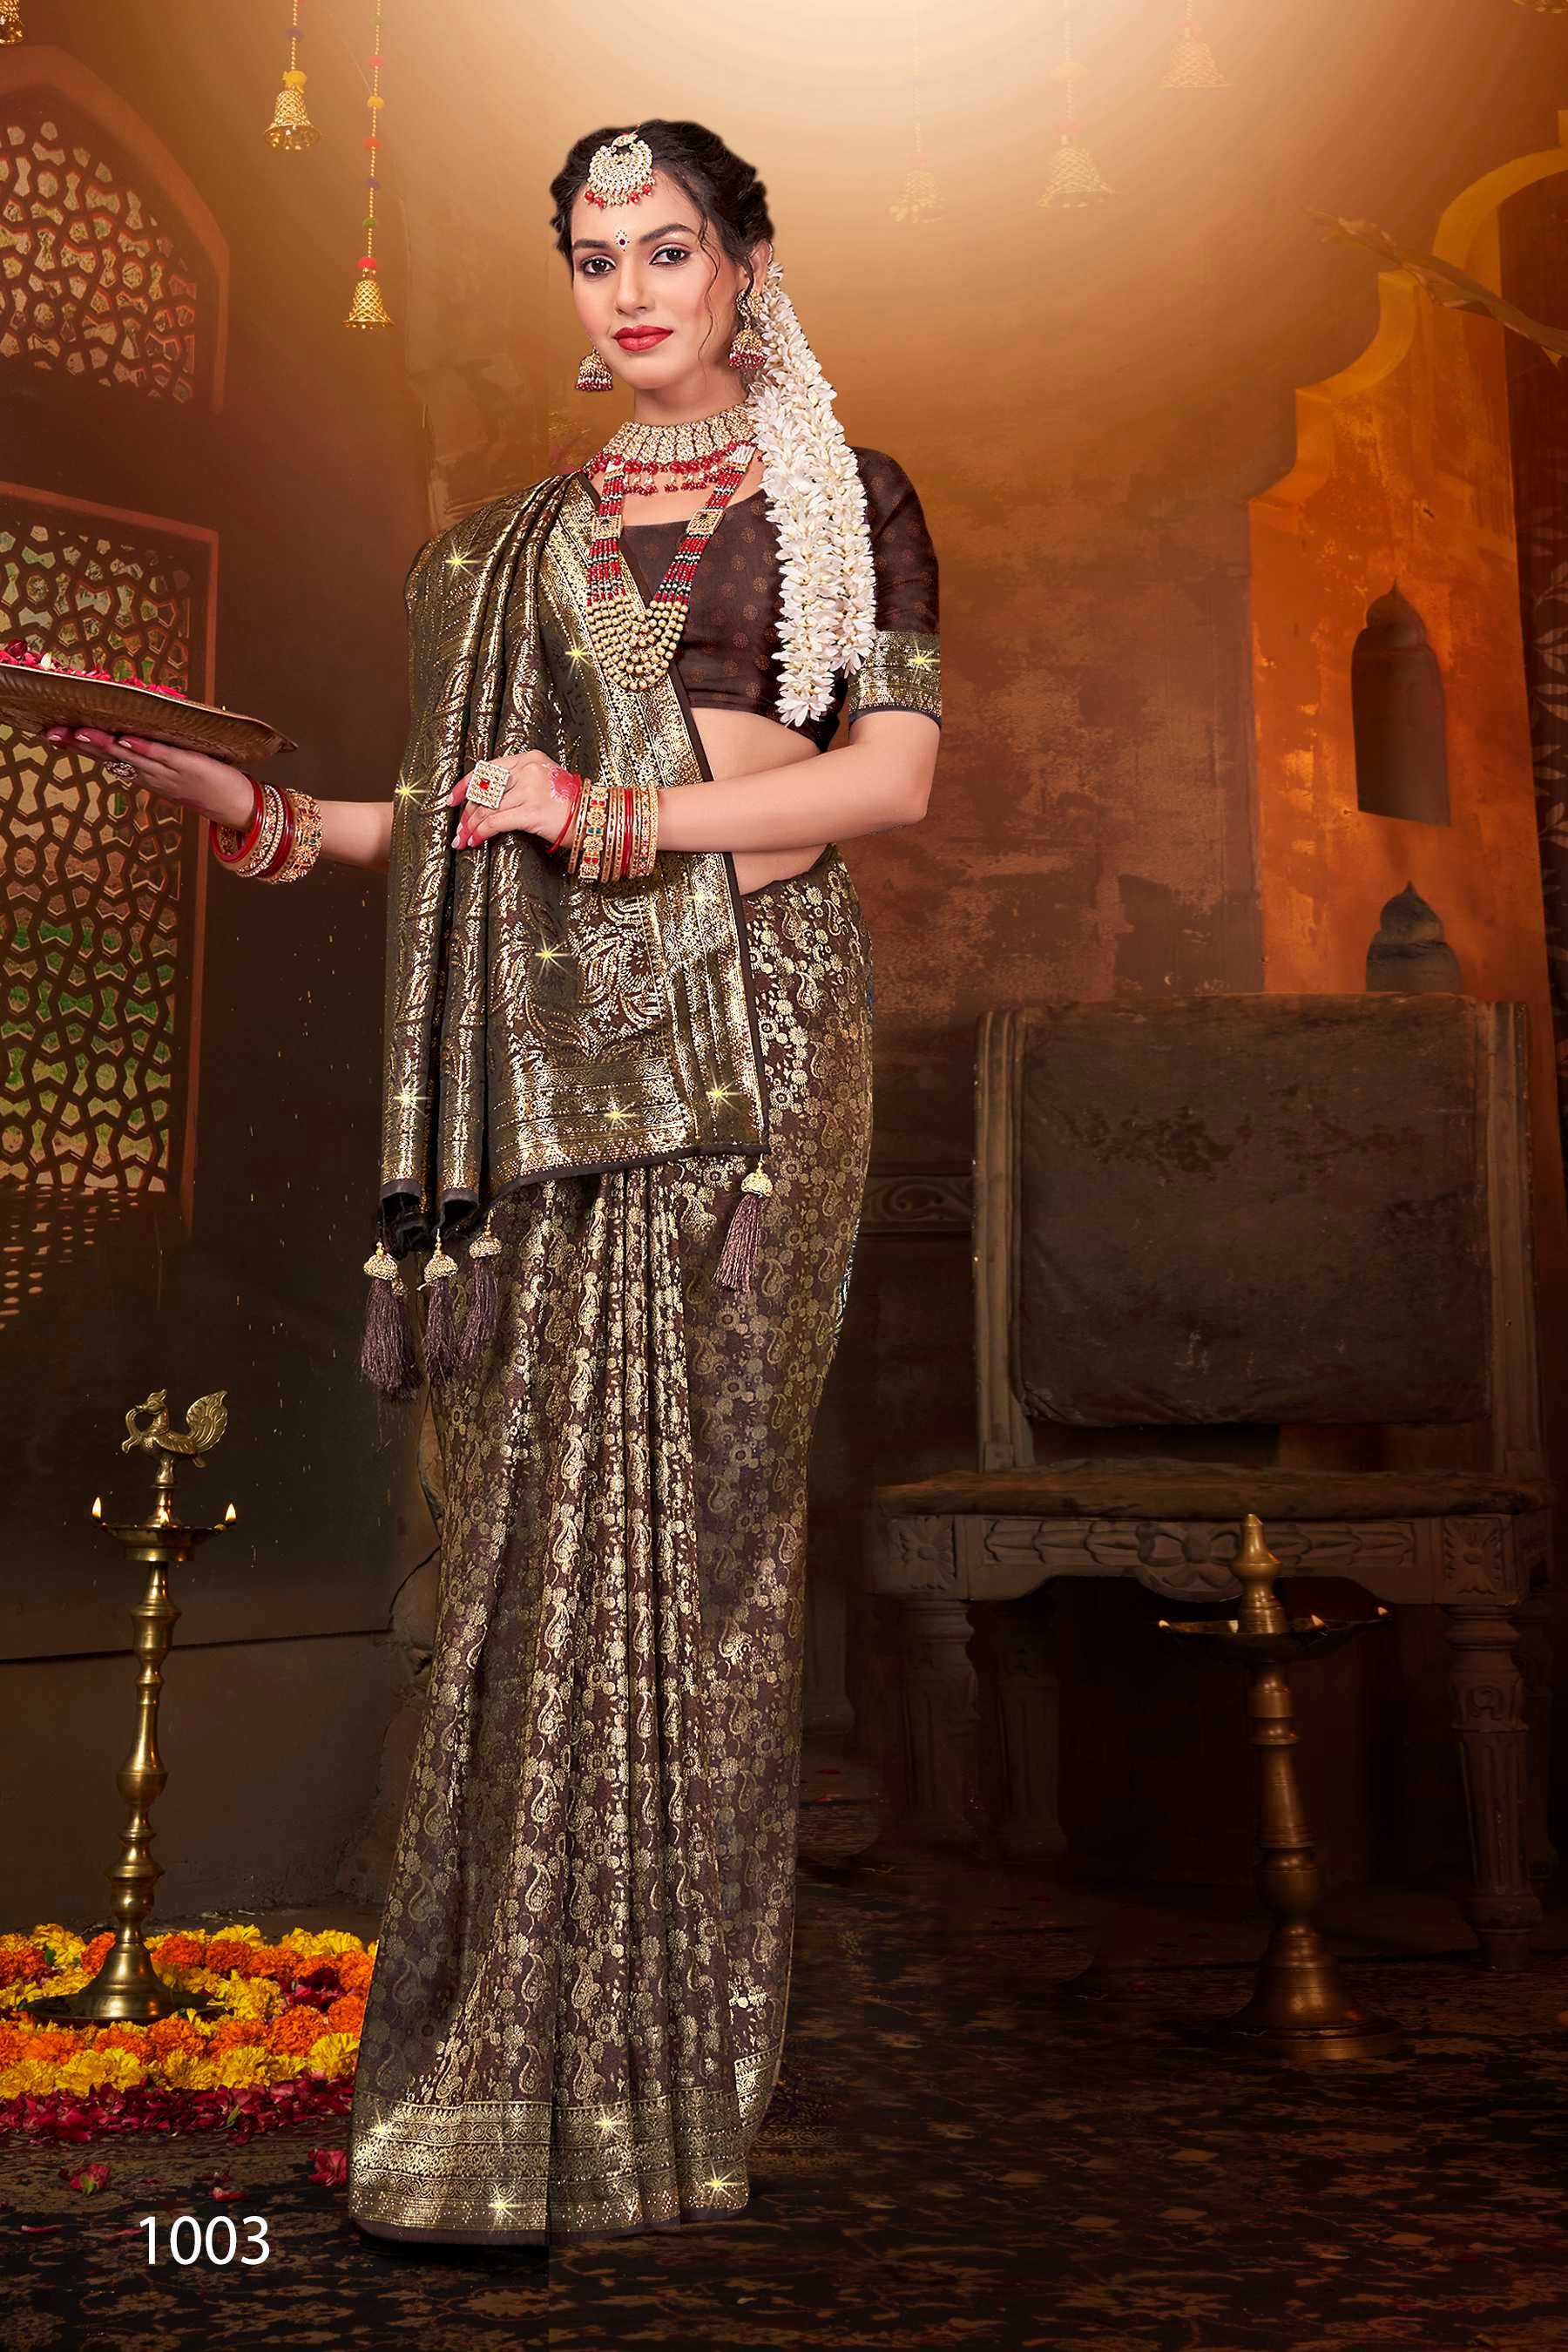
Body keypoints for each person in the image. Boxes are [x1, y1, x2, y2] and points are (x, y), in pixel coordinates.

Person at [50, 118, 942, 2245]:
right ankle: (496, 2089)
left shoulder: (845, 496)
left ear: (745, 262)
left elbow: (887, 783)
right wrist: (261, 814)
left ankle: (661, 2089)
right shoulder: (505, 551)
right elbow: (456, 830)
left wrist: (608, 815)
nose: (631, 291)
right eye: (595, 256)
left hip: (751, 1058)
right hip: (542, 1068)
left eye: (670, 248)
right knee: (528, 1546)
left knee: (698, 1561)